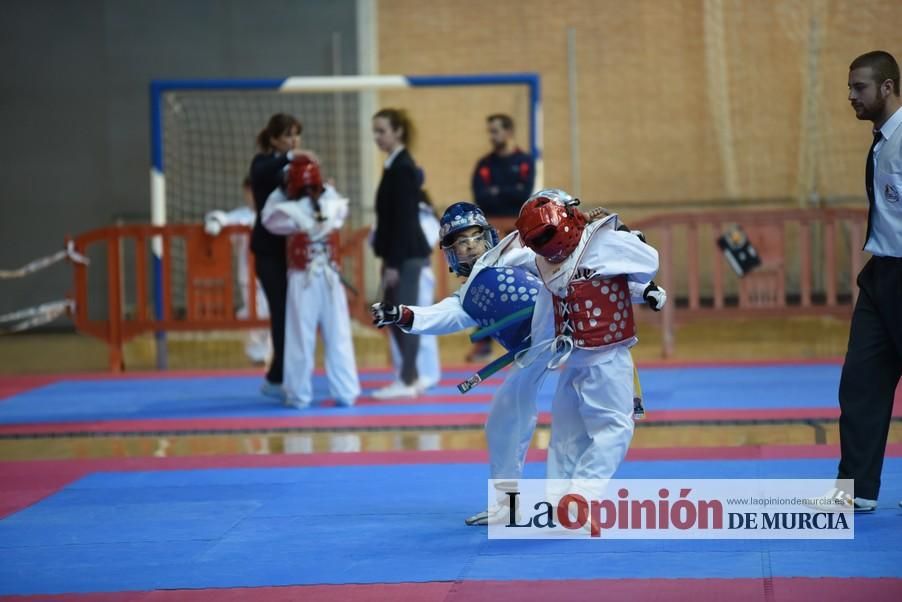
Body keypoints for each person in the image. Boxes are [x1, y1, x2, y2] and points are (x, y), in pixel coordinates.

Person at [371, 202, 554, 524]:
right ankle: (509, 504)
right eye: (460, 241)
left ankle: (573, 501)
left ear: (488, 236)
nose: (469, 244)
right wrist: (402, 314)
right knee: (503, 421)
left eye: (474, 237)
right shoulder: (469, 296)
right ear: (451, 252)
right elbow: (442, 315)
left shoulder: (515, 254)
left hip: (569, 336)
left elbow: (554, 260)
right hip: (536, 351)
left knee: (575, 424)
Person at [514, 188, 663, 503]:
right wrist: (619, 231)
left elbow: (603, 282)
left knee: (567, 437)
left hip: (573, 361)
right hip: (607, 360)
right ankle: (583, 494)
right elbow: (647, 261)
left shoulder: (543, 264)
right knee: (615, 429)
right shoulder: (604, 243)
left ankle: (557, 502)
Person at [822, 51, 902, 513]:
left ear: (887, 87)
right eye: (851, 87)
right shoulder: (881, 140)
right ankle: (857, 490)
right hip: (880, 277)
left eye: (860, 88)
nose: (851, 96)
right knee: (860, 384)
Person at [261, 156, 360, 408]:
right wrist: (327, 188)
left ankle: (298, 394)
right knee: (338, 335)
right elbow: (341, 209)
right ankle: (345, 391)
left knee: (299, 338)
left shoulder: (288, 211)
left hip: (302, 279)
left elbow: (267, 219)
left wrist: (283, 191)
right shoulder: (333, 204)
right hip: (329, 277)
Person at [370, 108, 432, 399]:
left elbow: (404, 219)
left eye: (381, 131)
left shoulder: (404, 167)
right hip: (398, 254)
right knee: (393, 314)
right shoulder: (394, 165)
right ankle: (413, 376)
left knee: (403, 315)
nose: (377, 137)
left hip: (406, 255)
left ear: (397, 132)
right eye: (375, 131)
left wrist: (393, 262)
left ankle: (407, 380)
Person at [468, 114, 536, 363]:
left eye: (495, 131)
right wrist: (504, 194)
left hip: (518, 233)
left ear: (508, 131)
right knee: (487, 283)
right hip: (492, 234)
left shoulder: (524, 160)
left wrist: (498, 193)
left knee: (522, 281)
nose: (492, 136)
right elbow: (481, 196)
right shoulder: (484, 164)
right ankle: (484, 340)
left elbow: (523, 193)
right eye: (490, 132)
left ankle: (530, 336)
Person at [249, 113, 302, 399]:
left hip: (293, 252)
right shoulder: (263, 164)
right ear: (273, 139)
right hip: (269, 252)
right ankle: (278, 376)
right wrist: (291, 157)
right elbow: (267, 172)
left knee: (294, 315)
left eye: (296, 134)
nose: (294, 141)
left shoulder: (294, 164)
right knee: (281, 313)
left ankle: (282, 373)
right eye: (287, 135)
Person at [204, 175, 272, 365]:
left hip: (273, 275)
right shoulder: (241, 216)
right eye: (249, 192)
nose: (253, 196)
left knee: (271, 315)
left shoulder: (273, 214)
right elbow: (221, 217)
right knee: (254, 313)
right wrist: (215, 222)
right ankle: (257, 355)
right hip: (248, 278)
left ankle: (266, 353)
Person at [388, 181, 442, 391]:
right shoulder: (395, 213)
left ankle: (427, 373)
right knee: (398, 325)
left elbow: (428, 240)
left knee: (421, 323)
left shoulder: (423, 213)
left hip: (418, 273)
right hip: (395, 274)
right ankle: (405, 373)